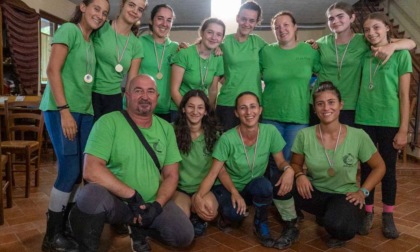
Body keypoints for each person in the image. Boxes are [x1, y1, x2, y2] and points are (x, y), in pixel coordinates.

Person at [68, 75, 194, 251]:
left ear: (157, 97)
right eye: (138, 90)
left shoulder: (166, 129)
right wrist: (132, 196)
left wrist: (157, 205)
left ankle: (138, 228)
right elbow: (91, 170)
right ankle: (88, 240)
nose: (145, 96)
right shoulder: (108, 122)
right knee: (90, 196)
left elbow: (171, 175)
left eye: (150, 91)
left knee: (183, 235)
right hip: (118, 203)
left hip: (151, 202)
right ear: (127, 95)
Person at [39, 0, 109, 251]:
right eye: (96, 8)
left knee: (80, 173)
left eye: (105, 13)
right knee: (68, 171)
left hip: (85, 112)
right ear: (82, 6)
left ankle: (65, 226)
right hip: (62, 109)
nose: (100, 15)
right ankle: (52, 236)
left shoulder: (92, 42)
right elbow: (53, 70)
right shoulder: (69, 30)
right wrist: (64, 111)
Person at [193, 92, 297, 249]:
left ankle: (260, 224)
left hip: (252, 187)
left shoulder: (270, 132)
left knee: (264, 185)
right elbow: (214, 173)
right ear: (236, 112)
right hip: (229, 188)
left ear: (260, 110)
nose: (249, 112)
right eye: (243, 108)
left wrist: (289, 169)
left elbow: (281, 161)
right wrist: (198, 197)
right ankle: (226, 216)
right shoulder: (227, 139)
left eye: (253, 107)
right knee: (234, 214)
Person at [291, 82, 386, 248]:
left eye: (331, 102)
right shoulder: (304, 135)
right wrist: (299, 175)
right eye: (320, 103)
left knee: (342, 228)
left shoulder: (358, 136)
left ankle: (338, 215)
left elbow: (380, 167)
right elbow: (295, 163)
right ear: (314, 108)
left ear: (341, 105)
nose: (326, 107)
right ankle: (290, 225)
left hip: (344, 195)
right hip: (314, 192)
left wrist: (362, 192)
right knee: (279, 183)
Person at [309, 1, 416, 126]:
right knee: (317, 142)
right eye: (331, 18)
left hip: (350, 104)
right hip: (321, 102)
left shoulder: (365, 40)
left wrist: (392, 46)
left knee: (347, 144)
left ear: (352, 17)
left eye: (340, 16)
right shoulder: (321, 42)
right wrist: (308, 44)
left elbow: (411, 44)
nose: (335, 21)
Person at [356, 12, 412, 239]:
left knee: (388, 170)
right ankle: (367, 212)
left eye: (377, 28)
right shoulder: (363, 55)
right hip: (364, 119)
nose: (372, 33)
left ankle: (388, 216)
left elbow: (404, 95)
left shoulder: (401, 55)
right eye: (368, 30)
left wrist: (403, 129)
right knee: (367, 169)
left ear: (387, 28)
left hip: (389, 121)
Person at [260, 11, 319, 161]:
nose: (281, 29)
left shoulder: (310, 51)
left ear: (295, 27)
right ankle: (272, 186)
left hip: (298, 116)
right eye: (277, 27)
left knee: (292, 161)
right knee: (273, 162)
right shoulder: (266, 52)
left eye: (286, 25)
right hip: (270, 116)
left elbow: (325, 73)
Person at [173, 89, 221, 237]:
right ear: (183, 108)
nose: (195, 111)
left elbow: (217, 169)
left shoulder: (215, 134)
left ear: (206, 111)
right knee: (179, 217)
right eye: (190, 106)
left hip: (204, 188)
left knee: (210, 211)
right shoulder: (171, 131)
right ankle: (190, 212)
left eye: (200, 107)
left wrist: (199, 195)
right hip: (180, 188)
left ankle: (198, 213)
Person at [216, 0, 267, 131]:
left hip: (252, 105)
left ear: (256, 22)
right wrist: (184, 47)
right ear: (237, 18)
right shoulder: (224, 41)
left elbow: (279, 52)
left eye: (251, 20)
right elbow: (204, 51)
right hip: (228, 103)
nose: (247, 23)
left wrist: (309, 44)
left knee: (250, 147)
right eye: (244, 19)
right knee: (225, 146)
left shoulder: (259, 42)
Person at [92, 0, 146, 121]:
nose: (135, 11)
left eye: (140, 9)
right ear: (122, 5)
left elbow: (131, 81)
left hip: (114, 99)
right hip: (90, 93)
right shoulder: (100, 26)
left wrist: (129, 107)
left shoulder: (137, 44)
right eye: (131, 5)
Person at [170, 17, 225, 122]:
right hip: (179, 109)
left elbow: (213, 90)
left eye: (218, 34)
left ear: (222, 39)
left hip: (200, 113)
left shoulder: (218, 58)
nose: (214, 37)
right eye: (210, 32)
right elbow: (174, 90)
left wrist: (209, 112)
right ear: (202, 32)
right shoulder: (184, 54)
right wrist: (187, 111)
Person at [139, 4, 179, 122]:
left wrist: (217, 48)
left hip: (166, 110)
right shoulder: (139, 42)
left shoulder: (176, 48)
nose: (164, 24)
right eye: (160, 18)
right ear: (151, 21)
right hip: (141, 107)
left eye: (169, 20)